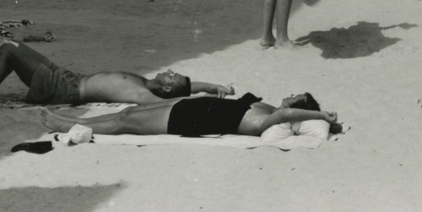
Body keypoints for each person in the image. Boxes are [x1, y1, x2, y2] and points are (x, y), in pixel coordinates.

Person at [0, 43, 230, 115]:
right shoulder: (147, 84)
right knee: (13, 48)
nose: (169, 71)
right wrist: (212, 87)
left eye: (172, 76)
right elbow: (185, 89)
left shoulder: (143, 94)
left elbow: (171, 104)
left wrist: (211, 105)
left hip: (63, 88)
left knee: (8, 50)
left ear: (167, 87)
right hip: (67, 77)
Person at [84, 92, 335, 139]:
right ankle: (75, 122)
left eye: (295, 96)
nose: (290, 95)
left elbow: (288, 114)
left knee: (123, 122)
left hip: (185, 120)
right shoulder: (269, 108)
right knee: (129, 112)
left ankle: (68, 126)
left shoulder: (266, 121)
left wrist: (321, 115)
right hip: (191, 107)